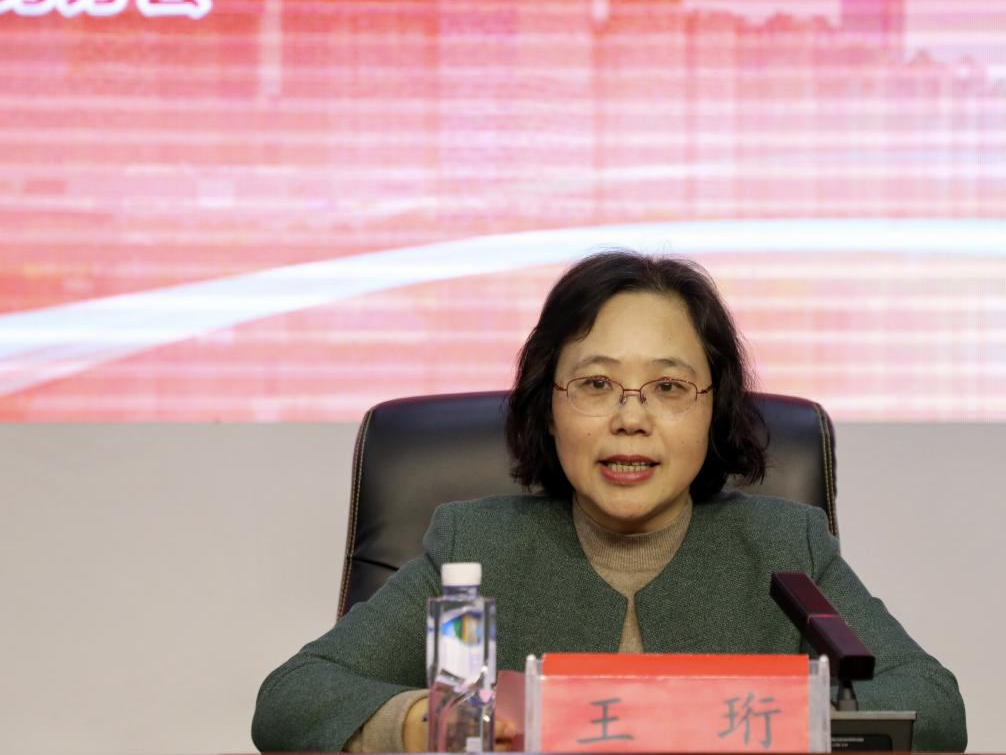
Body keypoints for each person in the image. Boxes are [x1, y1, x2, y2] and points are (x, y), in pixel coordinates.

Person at [252, 251, 967, 752]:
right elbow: (292, 699)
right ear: (549, 407)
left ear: (713, 408)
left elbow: (933, 704)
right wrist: (429, 723)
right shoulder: (475, 546)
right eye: (596, 385)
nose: (631, 418)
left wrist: (745, 717)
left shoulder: (786, 546)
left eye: (669, 387)